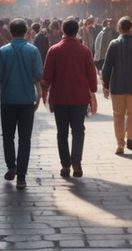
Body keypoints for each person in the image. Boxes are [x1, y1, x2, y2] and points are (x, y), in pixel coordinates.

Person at [0, 18, 43, 190]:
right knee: (25, 138)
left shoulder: (3, 51)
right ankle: (21, 176)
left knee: (8, 136)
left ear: (10, 32)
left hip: (8, 100)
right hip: (27, 100)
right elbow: (38, 76)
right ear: (26, 31)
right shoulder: (33, 51)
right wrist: (39, 95)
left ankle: (11, 166)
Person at [42, 17, 97, 178]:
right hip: (79, 97)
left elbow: (47, 76)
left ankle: (65, 165)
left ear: (63, 31)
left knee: (62, 132)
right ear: (77, 31)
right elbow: (91, 75)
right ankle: (76, 160)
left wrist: (43, 91)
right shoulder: (85, 50)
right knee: (78, 130)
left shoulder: (54, 50)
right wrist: (93, 92)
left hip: (59, 98)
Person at [102, 17, 132, 154]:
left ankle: (120, 144)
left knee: (118, 114)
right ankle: (131, 138)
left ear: (119, 29)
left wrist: (105, 84)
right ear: (131, 29)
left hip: (118, 85)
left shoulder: (114, 44)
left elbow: (107, 67)